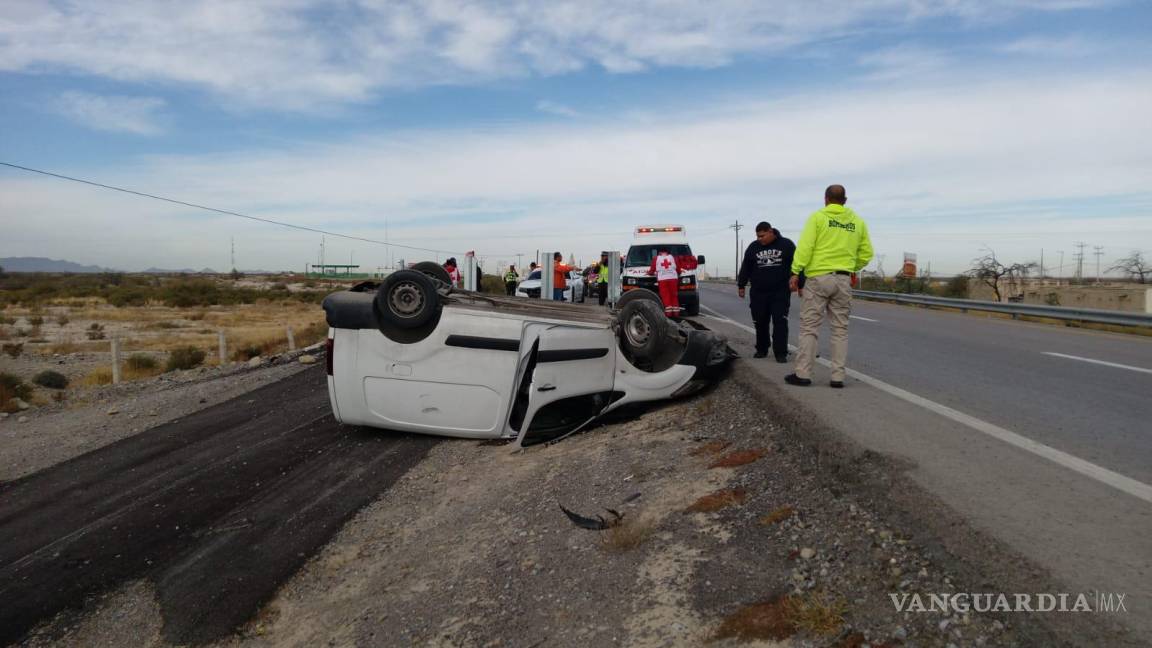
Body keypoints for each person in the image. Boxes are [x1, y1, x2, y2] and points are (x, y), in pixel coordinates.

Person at [785, 184, 873, 388]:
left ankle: (803, 374)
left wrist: (796, 271)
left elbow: (806, 247)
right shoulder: (857, 222)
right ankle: (837, 377)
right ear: (845, 200)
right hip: (843, 279)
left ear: (825, 199)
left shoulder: (818, 218)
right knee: (840, 329)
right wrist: (851, 267)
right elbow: (867, 253)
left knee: (809, 328)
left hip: (818, 278)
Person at [737, 221, 795, 361]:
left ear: (770, 232)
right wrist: (741, 285)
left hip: (780, 292)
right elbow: (746, 267)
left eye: (762, 236)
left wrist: (800, 283)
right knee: (760, 321)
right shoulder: (753, 247)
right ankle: (762, 348)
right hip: (759, 292)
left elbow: (797, 265)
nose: (759, 239)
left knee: (780, 322)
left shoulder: (786, 245)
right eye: (757, 236)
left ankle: (781, 352)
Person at [648, 247, 680, 317]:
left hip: (662, 279)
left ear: (660, 252)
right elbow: (678, 268)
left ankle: (669, 313)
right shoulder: (673, 257)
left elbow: (652, 270)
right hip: (673, 278)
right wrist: (679, 272)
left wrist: (649, 273)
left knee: (666, 296)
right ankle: (676, 313)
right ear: (668, 252)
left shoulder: (656, 258)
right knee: (673, 295)